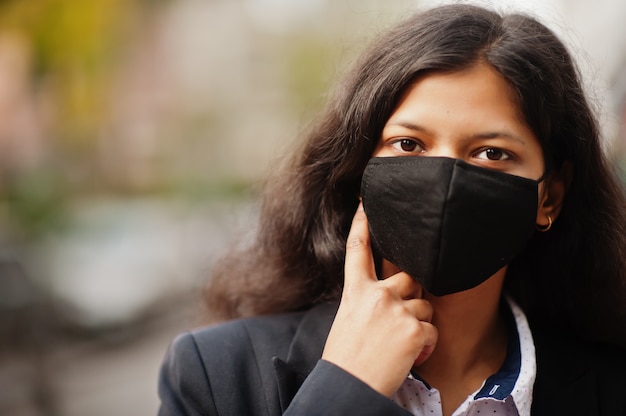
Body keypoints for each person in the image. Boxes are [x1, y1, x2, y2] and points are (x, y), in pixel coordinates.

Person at [158, 4, 626, 415]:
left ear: (550, 197)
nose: (445, 182)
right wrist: (347, 386)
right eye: (408, 144)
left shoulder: (610, 383)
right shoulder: (215, 376)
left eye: (491, 153)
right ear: (360, 170)